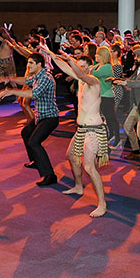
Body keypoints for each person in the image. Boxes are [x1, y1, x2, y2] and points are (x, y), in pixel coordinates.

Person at [45, 49, 107, 216]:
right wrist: (51, 54)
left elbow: (78, 72)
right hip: (81, 129)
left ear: (90, 68)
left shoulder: (93, 81)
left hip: (93, 131)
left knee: (89, 166)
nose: (81, 70)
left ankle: (102, 204)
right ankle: (79, 186)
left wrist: (71, 60)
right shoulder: (80, 82)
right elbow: (66, 68)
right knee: (71, 156)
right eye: (79, 67)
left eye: (84, 67)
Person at [0, 53, 60, 187]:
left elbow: (34, 93)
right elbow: (26, 81)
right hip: (40, 117)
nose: (28, 65)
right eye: (28, 62)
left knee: (34, 142)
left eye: (31, 63)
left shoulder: (45, 78)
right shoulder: (37, 76)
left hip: (50, 118)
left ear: (39, 65)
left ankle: (50, 175)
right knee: (26, 132)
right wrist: (9, 79)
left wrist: (12, 91)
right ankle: (36, 160)